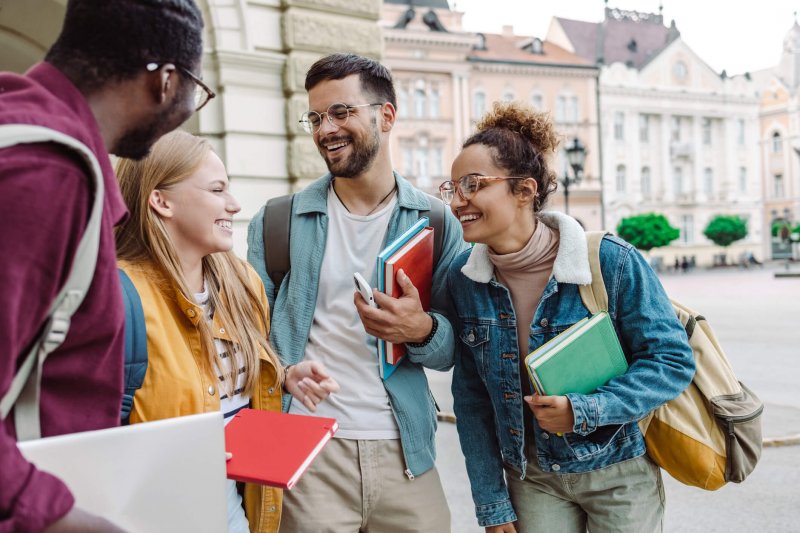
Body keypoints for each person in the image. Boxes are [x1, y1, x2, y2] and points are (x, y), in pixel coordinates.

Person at [0, 1, 207, 530]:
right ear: (164, 82)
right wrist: (60, 515)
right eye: (195, 91)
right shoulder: (48, 172)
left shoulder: (18, 127)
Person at [442, 101, 695, 532]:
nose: (458, 201)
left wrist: (584, 410)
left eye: (472, 184)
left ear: (525, 190)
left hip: (618, 472)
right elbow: (472, 401)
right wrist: (492, 503)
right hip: (532, 478)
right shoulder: (464, 279)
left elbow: (672, 362)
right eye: (452, 188)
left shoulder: (610, 262)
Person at [247, 53, 466, 532]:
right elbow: (249, 335)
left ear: (385, 116)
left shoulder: (435, 221)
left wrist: (420, 328)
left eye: (341, 112)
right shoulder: (277, 221)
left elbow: (453, 348)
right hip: (307, 451)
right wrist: (284, 372)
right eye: (316, 117)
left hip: (406, 449)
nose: (326, 129)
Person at [115, 131, 339, 532]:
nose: (234, 205)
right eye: (217, 190)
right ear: (161, 200)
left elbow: (220, 389)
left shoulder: (242, 281)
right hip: (163, 515)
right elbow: (91, 437)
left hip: (241, 509)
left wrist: (283, 376)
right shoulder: (119, 296)